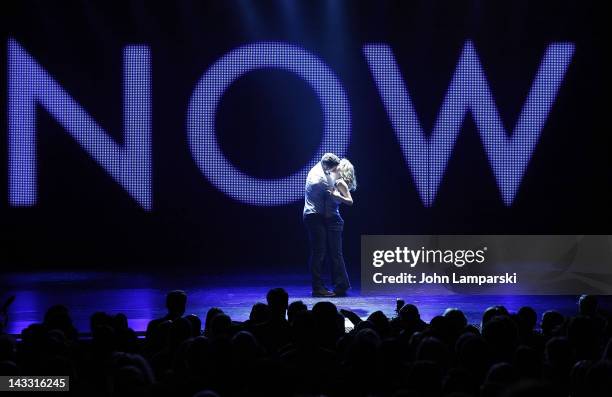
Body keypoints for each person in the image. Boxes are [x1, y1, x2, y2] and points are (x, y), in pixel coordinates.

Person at [303, 153, 357, 297]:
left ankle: (339, 284)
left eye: (337, 169)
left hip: (332, 220)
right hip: (320, 218)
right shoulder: (322, 178)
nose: (334, 171)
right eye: (334, 169)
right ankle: (328, 286)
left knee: (333, 254)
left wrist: (337, 196)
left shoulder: (337, 181)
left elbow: (349, 201)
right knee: (323, 253)